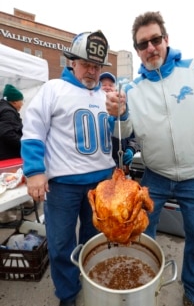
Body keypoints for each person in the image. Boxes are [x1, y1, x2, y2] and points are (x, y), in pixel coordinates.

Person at [105, 11, 194, 306]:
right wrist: (117, 115)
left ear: (166, 39)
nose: (150, 48)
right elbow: (125, 131)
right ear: (137, 50)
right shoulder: (131, 90)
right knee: (142, 234)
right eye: (142, 44)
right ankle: (145, 285)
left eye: (155, 39)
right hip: (155, 177)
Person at [21, 30, 116, 306]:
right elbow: (33, 130)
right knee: (62, 244)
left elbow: (116, 136)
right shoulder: (53, 89)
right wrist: (35, 171)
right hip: (63, 186)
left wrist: (121, 117)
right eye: (86, 63)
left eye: (97, 66)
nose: (92, 71)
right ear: (71, 61)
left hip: (101, 185)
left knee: (93, 241)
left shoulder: (106, 96)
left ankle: (90, 284)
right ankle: (68, 295)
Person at [99, 71, 140, 174]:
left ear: (115, 88)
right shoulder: (93, 108)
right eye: (103, 85)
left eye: (110, 85)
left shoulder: (125, 108)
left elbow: (135, 135)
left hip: (121, 166)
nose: (107, 87)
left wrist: (131, 148)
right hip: (102, 167)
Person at [0, 84, 25, 226]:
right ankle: (7, 217)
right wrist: (24, 144)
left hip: (4, 155)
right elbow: (7, 133)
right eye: (22, 100)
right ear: (15, 101)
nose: (22, 104)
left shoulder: (4, 109)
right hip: (7, 156)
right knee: (8, 185)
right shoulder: (9, 112)